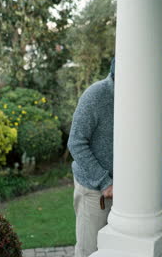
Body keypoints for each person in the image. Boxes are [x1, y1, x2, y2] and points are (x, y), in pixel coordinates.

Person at [68, 59, 115, 257]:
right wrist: (105, 182)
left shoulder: (133, 97)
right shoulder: (96, 95)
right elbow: (76, 143)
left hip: (122, 192)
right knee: (89, 251)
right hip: (94, 191)